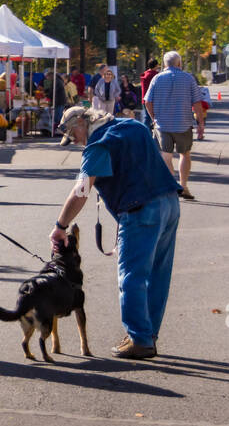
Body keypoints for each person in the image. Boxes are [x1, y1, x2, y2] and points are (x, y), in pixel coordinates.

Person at [53, 104, 181, 359]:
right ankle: (148, 334)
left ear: (81, 123)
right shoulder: (134, 126)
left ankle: (139, 339)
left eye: (73, 135)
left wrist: (60, 226)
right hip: (169, 203)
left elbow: (81, 191)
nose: (77, 143)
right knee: (158, 275)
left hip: (140, 210)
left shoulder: (100, 144)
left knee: (132, 276)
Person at [144, 51, 200, 199]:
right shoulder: (188, 78)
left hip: (162, 125)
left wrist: (154, 118)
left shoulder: (156, 78)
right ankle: (183, 186)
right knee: (185, 154)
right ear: (179, 63)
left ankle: (171, 186)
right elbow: (197, 102)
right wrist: (200, 123)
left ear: (164, 64)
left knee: (166, 156)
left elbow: (147, 101)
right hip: (184, 123)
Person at [139, 58, 161, 129]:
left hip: (144, 99)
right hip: (153, 99)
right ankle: (146, 134)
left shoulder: (145, 74)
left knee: (147, 117)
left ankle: (145, 133)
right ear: (156, 65)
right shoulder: (155, 75)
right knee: (152, 117)